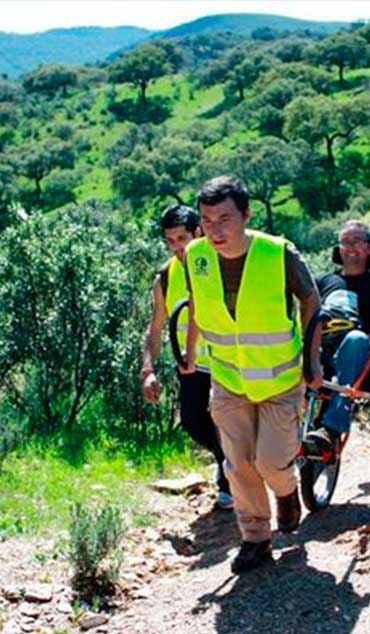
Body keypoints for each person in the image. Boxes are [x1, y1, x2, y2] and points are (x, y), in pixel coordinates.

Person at [182, 176, 323, 574]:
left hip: (279, 382)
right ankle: (256, 539)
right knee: (237, 464)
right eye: (207, 221)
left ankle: (288, 490)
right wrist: (190, 354)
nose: (215, 230)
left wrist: (313, 360)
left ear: (246, 214)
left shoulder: (278, 254)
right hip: (229, 381)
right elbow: (196, 303)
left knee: (273, 463)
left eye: (225, 219)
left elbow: (311, 299)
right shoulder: (196, 256)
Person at [140, 205, 233, 511]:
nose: (178, 247)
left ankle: (231, 483)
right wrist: (147, 369)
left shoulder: (220, 262)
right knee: (193, 421)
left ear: (199, 232)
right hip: (189, 364)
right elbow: (155, 327)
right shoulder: (166, 277)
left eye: (182, 238)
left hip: (226, 357)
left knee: (225, 417)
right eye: (170, 240)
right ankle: (227, 461)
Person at [307, 220, 370, 453]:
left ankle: (332, 429)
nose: (350, 247)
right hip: (320, 350)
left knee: (356, 339)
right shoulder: (322, 282)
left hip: (358, 355)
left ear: (369, 248)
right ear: (338, 250)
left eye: (356, 241)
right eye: (345, 242)